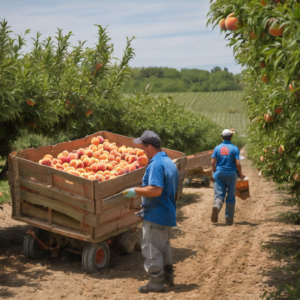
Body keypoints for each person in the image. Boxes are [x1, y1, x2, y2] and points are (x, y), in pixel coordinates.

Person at [124, 130, 179, 293]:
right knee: (163, 246)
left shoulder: (156, 164)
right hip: (167, 212)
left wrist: (136, 190)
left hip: (156, 214)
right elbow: (173, 192)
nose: (142, 150)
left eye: (142, 147)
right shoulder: (169, 162)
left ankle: (156, 281)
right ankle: (168, 275)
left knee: (150, 247)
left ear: (149, 147)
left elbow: (156, 190)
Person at [211, 129, 246, 225]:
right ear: (231, 137)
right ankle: (229, 218)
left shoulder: (217, 148)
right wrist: (241, 174)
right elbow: (238, 164)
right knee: (230, 196)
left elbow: (213, 162)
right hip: (231, 174)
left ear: (222, 137)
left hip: (219, 173)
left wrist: (213, 173)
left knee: (219, 194)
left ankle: (217, 206)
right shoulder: (234, 148)